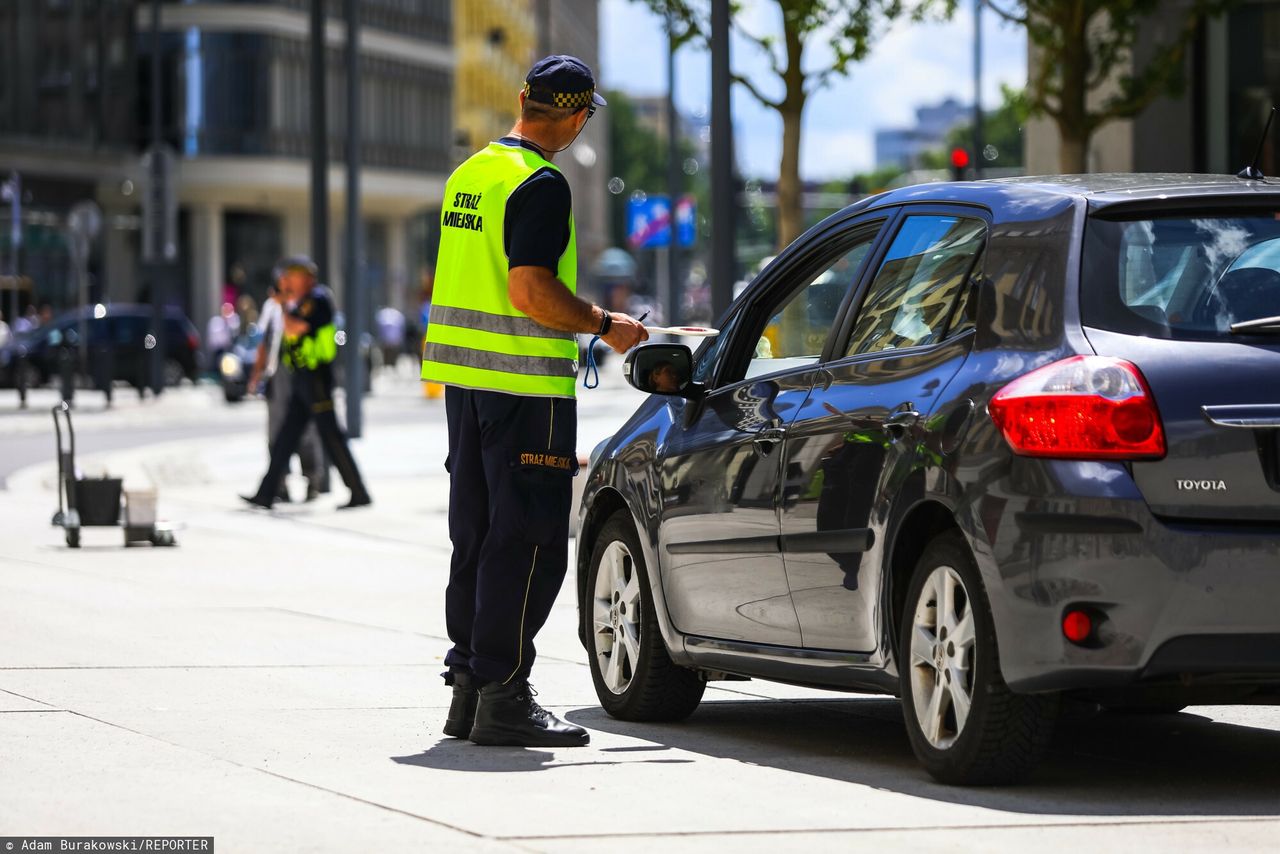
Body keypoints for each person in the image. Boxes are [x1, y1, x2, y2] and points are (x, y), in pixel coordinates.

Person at [421, 55, 648, 747]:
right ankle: (504, 693)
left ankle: (469, 688)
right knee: (529, 543)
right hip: (525, 390)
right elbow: (530, 291)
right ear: (577, 118)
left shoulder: (472, 174)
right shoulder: (541, 184)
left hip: (467, 390)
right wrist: (607, 327)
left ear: (524, 99)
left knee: (478, 537)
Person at [241, 255, 372, 510]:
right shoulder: (298, 301)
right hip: (302, 378)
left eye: (292, 276)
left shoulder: (318, 299)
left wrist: (281, 305)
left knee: (332, 436)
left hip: (317, 379)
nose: (286, 280)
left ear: (306, 278)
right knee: (285, 438)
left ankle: (358, 491)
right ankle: (266, 493)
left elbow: (295, 329)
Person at [250, 277, 329, 502]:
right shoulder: (271, 308)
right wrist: (256, 374)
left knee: (307, 433)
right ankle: (279, 484)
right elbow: (264, 342)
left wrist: (284, 304)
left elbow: (298, 329)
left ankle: (312, 479)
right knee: (276, 433)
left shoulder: (304, 303)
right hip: (277, 376)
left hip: (301, 375)